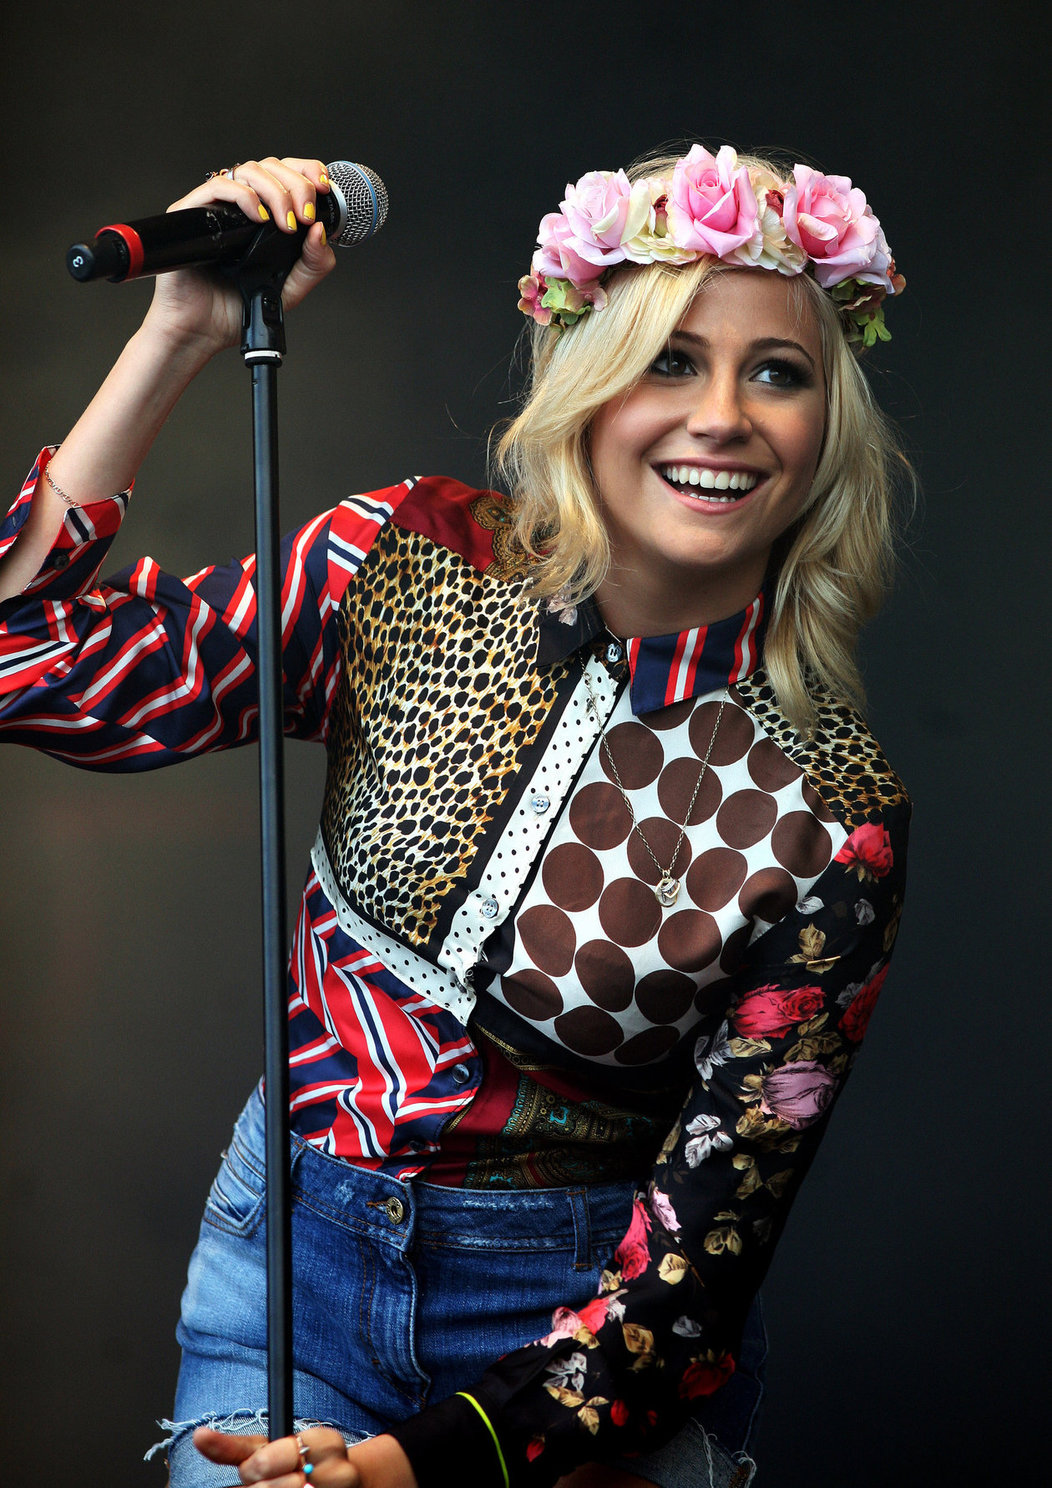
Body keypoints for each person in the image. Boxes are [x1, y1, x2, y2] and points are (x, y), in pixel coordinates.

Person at [0, 145, 911, 1488]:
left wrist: (413, 1469)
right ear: (586, 385)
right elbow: (27, 661)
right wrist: (180, 333)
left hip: (573, 1346)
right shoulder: (403, 558)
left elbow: (693, 1282)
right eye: (668, 360)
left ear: (826, 423)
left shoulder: (836, 819)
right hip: (287, 1275)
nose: (722, 414)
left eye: (777, 372)